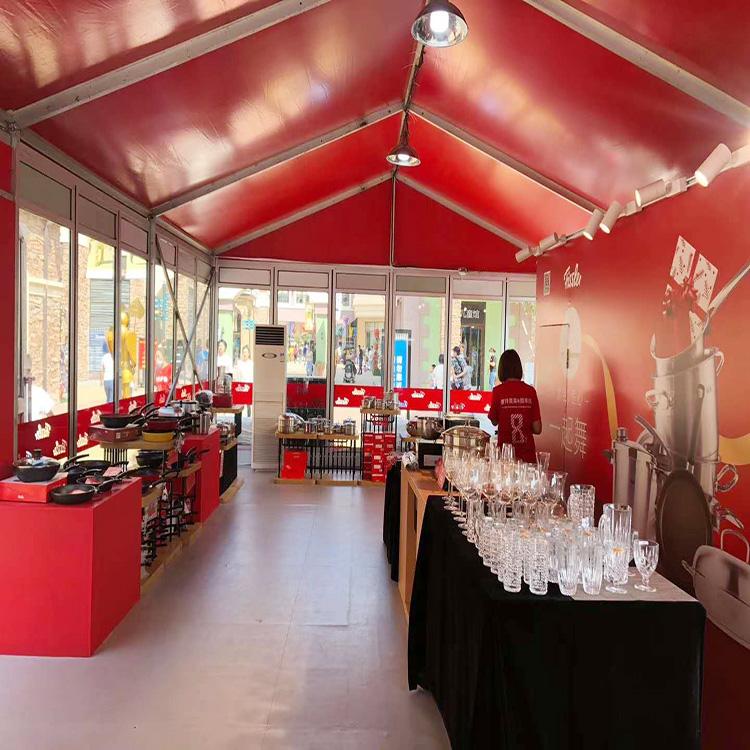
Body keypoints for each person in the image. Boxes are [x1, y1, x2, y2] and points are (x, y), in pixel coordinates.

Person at [488, 349, 542, 464]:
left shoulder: (498, 391)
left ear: (501, 369)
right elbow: (537, 429)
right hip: (527, 458)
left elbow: (494, 421)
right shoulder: (530, 391)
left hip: (505, 457)